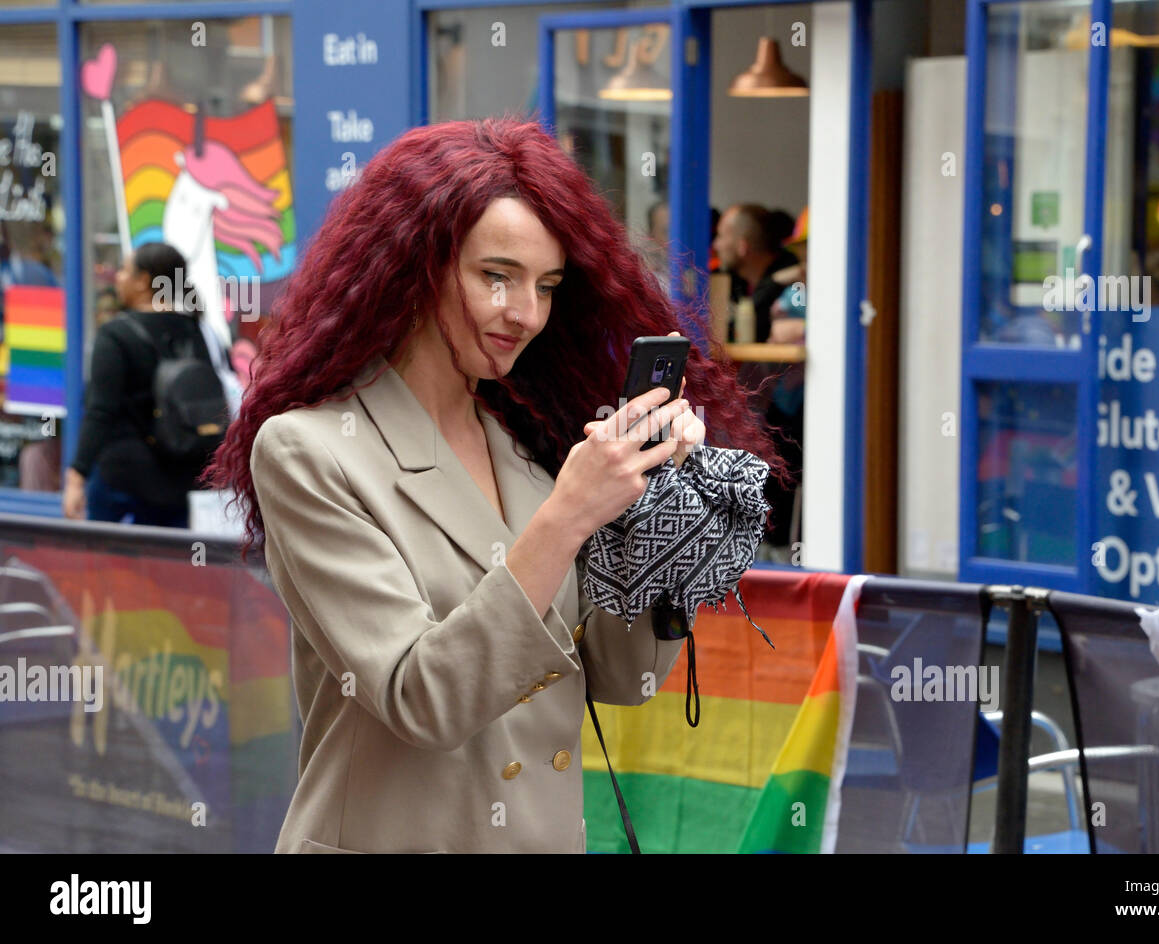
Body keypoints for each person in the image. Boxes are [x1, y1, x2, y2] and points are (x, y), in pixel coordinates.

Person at [201, 115, 793, 854]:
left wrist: (665, 528)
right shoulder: (308, 452)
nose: (528, 314)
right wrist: (569, 515)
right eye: (496, 277)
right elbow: (424, 698)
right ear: (411, 264)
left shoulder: (531, 444)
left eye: (546, 285)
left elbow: (619, 676)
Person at [62, 242, 218, 528]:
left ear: (143, 281)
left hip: (122, 478)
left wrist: (76, 477)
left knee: (105, 566)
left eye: (123, 270)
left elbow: (100, 411)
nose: (117, 278)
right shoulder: (195, 329)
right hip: (181, 477)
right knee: (169, 568)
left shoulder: (115, 334)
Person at [713, 203, 801, 344]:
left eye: (721, 236)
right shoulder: (726, 280)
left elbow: (760, 329)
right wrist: (772, 282)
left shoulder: (795, 281)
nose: (716, 245)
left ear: (743, 246)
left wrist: (772, 284)